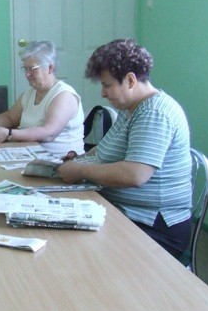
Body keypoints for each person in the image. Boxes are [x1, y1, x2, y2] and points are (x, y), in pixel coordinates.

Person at [57, 39, 192, 258]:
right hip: (125, 211)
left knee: (72, 250)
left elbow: (134, 174)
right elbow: (105, 148)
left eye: (107, 85)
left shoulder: (154, 113)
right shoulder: (131, 108)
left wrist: (79, 170)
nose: (103, 93)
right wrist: (79, 159)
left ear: (130, 80)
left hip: (154, 225)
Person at [0, 41, 85, 157]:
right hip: (32, 156)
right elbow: (10, 118)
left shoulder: (64, 95)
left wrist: (9, 134)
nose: (27, 74)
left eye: (32, 69)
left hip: (61, 161)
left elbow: (48, 133)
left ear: (50, 68)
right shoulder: (30, 93)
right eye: (25, 69)